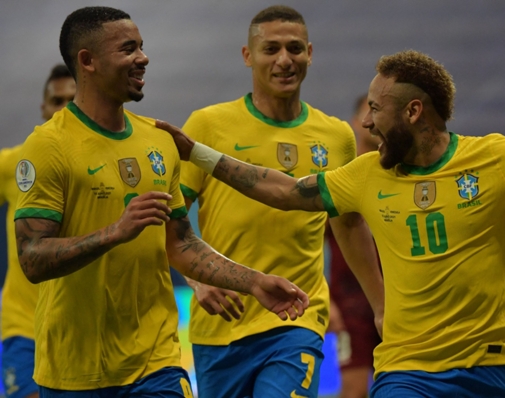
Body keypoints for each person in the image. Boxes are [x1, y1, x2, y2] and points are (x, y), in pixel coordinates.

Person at [158, 50, 505, 397]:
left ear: (415, 111)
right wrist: (198, 153)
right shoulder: (365, 174)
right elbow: (285, 191)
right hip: (405, 370)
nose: (368, 123)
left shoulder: (496, 158)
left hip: (487, 365)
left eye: (376, 109)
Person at [14, 6, 308, 397]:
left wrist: (253, 281)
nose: (143, 58)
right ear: (88, 61)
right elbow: (32, 258)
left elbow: (181, 243)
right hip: (73, 372)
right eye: (128, 49)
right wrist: (115, 233)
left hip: (157, 363)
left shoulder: (158, 141)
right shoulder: (48, 146)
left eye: (142, 47)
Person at [178, 6, 383, 398]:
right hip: (222, 324)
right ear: (247, 56)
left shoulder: (336, 135)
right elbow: (168, 218)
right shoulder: (208, 125)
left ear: (310, 52)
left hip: (297, 319)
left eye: (294, 49)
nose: (284, 60)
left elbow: (349, 226)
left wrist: (382, 307)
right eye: (271, 49)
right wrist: (197, 279)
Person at [0, 64, 75, 398]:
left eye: (73, 100)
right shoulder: (16, 165)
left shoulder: (113, 164)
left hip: (80, 331)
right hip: (24, 326)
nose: (64, 110)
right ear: (43, 109)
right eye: (57, 101)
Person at [326, 94, 381, 398]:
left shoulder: (402, 177)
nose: (372, 121)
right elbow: (310, 242)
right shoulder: (340, 180)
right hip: (350, 306)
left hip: (398, 302)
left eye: (379, 112)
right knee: (354, 389)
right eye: (367, 113)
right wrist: (326, 300)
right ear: (353, 124)